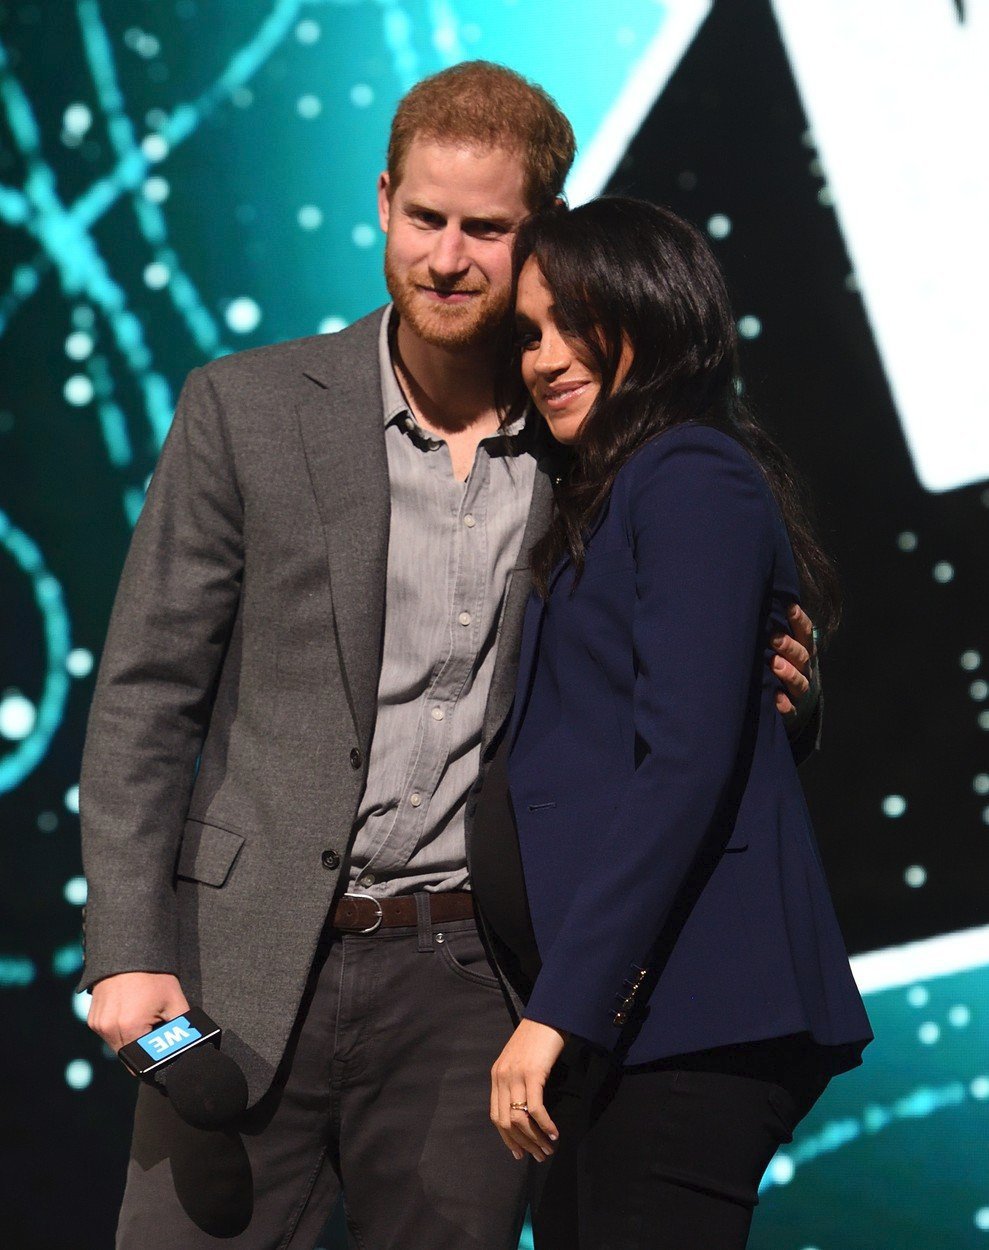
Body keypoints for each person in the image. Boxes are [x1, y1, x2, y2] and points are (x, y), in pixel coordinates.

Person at [78, 64, 819, 1250]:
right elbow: (143, 699)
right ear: (382, 201)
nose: (448, 256)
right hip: (239, 963)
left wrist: (780, 686)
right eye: (425, 217)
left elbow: (666, 694)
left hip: (469, 979)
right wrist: (124, 951)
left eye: (486, 228)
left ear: (542, 235)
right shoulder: (247, 409)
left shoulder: (593, 447)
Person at [482, 199, 872, 1249]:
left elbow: (685, 761)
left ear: (652, 315)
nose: (544, 358)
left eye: (575, 321)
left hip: (689, 1011)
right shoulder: (617, 488)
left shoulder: (685, 474)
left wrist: (559, 1006)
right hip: (638, 1021)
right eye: (527, 332)